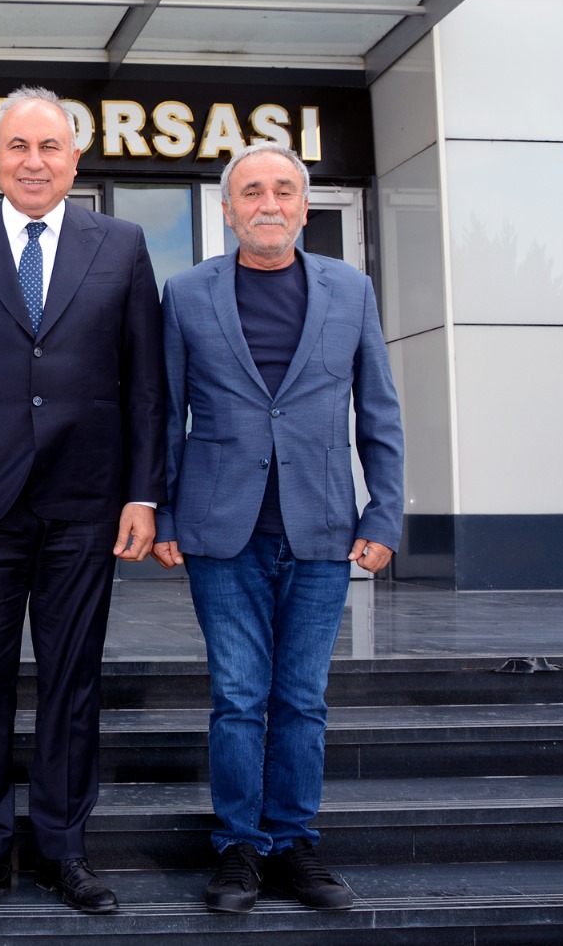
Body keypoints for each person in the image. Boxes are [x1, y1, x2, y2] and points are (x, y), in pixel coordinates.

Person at [0, 87, 167, 916]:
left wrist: (144, 493)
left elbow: (146, 382)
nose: (35, 162)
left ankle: (65, 849)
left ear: (74, 159)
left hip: (87, 502)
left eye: (50, 146)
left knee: (72, 680)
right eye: (19, 147)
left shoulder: (122, 244)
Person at [152, 141, 404, 914]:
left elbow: (380, 409)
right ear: (228, 210)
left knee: (301, 697)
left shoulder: (350, 289)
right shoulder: (187, 293)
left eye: (284, 190)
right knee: (236, 696)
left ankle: (293, 842)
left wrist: (384, 511)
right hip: (219, 531)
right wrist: (163, 510)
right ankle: (238, 847)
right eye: (253, 191)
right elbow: (164, 413)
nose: (270, 203)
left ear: (304, 205)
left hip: (322, 528)